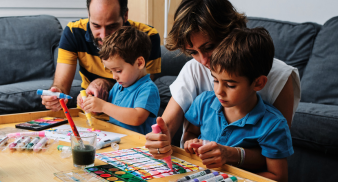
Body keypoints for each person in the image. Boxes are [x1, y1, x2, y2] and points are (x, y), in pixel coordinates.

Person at [145, 0, 300, 172]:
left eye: (209, 47)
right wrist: (159, 139)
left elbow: (276, 154)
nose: (203, 61)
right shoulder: (194, 69)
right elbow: (167, 125)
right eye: (193, 52)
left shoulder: (280, 77)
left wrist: (229, 154)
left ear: (231, 31)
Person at [184, 28, 293, 181]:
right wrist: (190, 142)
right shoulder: (204, 102)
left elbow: (278, 176)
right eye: (215, 80)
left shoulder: (273, 124)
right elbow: (191, 133)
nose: (219, 91)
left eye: (230, 85)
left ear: (258, 83)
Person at [41, 0, 161, 112]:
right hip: (90, 112)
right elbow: (61, 86)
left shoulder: (147, 37)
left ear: (125, 16)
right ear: (89, 15)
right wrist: (55, 94)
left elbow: (140, 88)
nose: (103, 36)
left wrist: (106, 84)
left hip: (126, 112)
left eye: (112, 26)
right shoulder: (74, 32)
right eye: (96, 26)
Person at [81, 26, 160, 135]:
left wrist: (103, 106)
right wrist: (93, 105)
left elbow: (137, 117)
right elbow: (112, 111)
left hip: (137, 145)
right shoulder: (119, 86)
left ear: (139, 63)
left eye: (118, 71)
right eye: (111, 71)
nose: (114, 77)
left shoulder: (148, 89)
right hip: (116, 140)